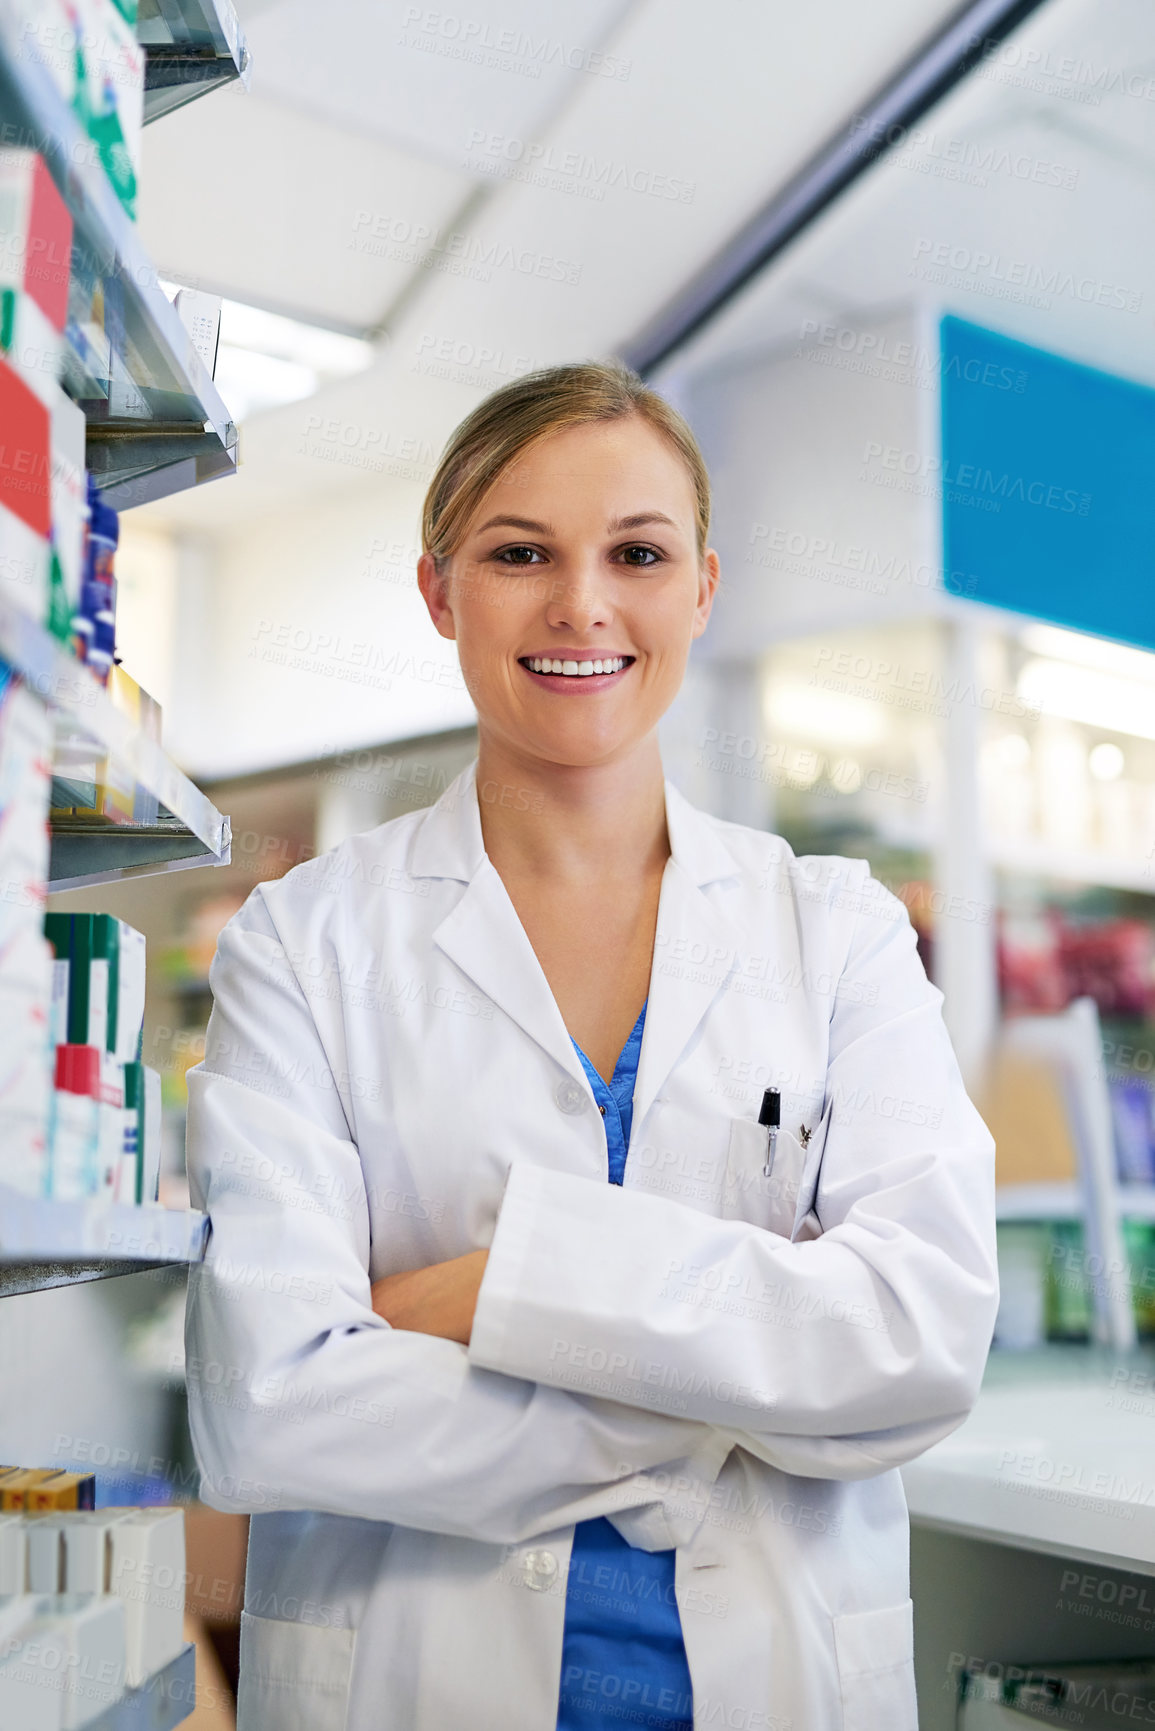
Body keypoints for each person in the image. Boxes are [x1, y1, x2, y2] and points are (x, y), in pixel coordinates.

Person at [184, 361, 998, 1731]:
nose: (583, 604)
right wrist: (736, 1399)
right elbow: (273, 1406)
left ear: (701, 589)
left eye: (637, 552)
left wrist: (498, 1289)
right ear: (441, 592)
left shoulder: (835, 932)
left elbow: (918, 1341)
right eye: (519, 554)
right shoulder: (302, 941)